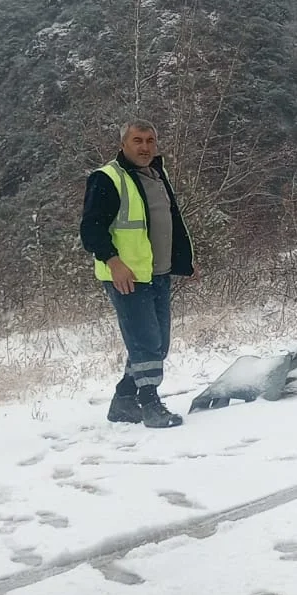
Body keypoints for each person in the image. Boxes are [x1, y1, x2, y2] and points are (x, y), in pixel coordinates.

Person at [80, 120, 196, 428]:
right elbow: (91, 229)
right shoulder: (107, 178)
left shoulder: (157, 174)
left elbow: (169, 221)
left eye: (150, 141)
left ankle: (123, 401)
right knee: (145, 342)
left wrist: (183, 261)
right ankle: (150, 405)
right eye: (137, 141)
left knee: (159, 344)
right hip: (127, 275)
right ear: (123, 145)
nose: (145, 147)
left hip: (158, 272)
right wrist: (113, 262)